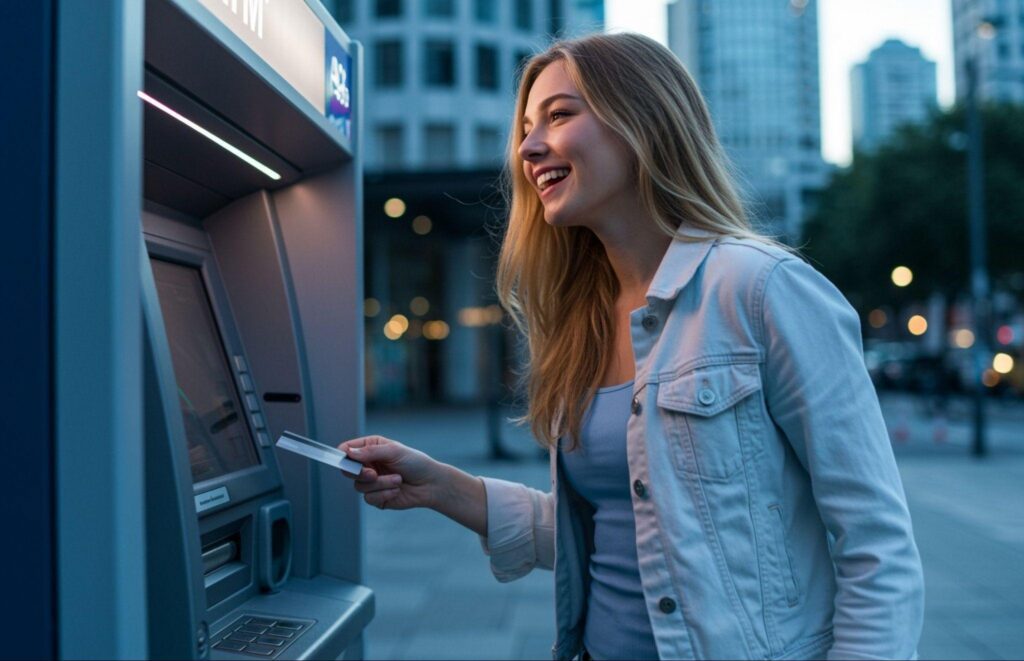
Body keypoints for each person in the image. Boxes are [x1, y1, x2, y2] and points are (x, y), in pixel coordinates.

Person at [340, 33, 924, 660]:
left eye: (560, 115)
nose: (528, 146)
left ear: (641, 121)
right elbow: (635, 532)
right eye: (527, 127)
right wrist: (445, 488)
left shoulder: (761, 287)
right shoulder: (581, 318)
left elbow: (877, 549)